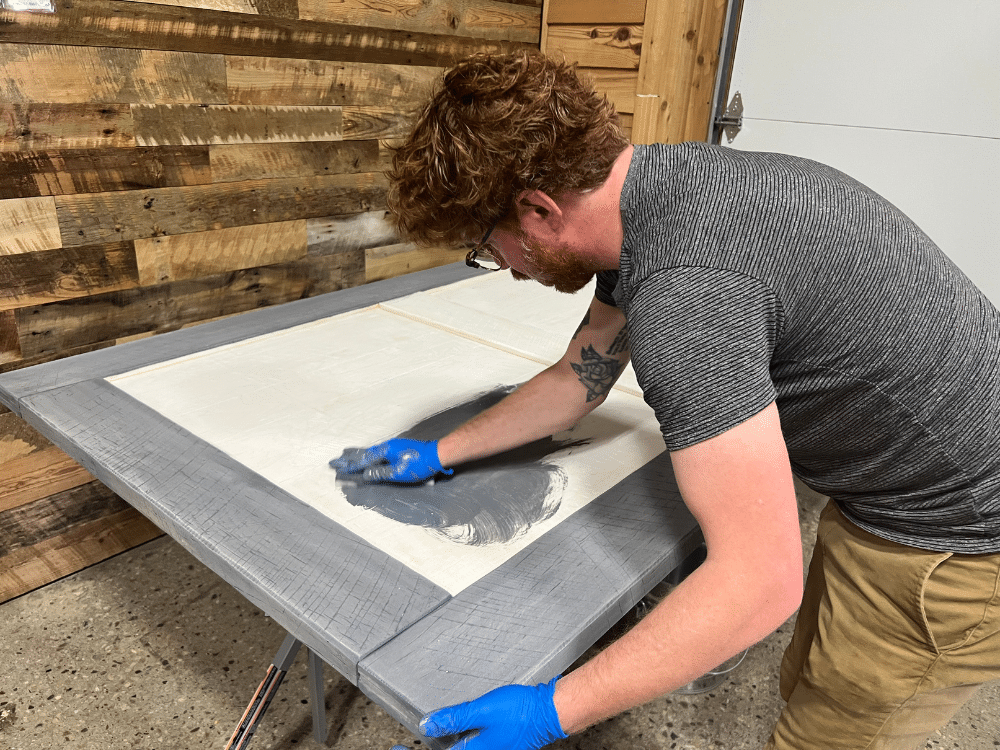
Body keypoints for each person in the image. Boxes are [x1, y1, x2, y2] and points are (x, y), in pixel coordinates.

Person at [331, 50, 1000, 750]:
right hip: (900, 487)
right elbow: (576, 381)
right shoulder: (666, 190)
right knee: (813, 677)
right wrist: (441, 451)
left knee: (833, 732)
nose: (504, 269)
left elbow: (760, 584)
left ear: (536, 209)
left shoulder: (686, 297)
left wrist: (552, 709)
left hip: (959, 545)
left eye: (488, 247)